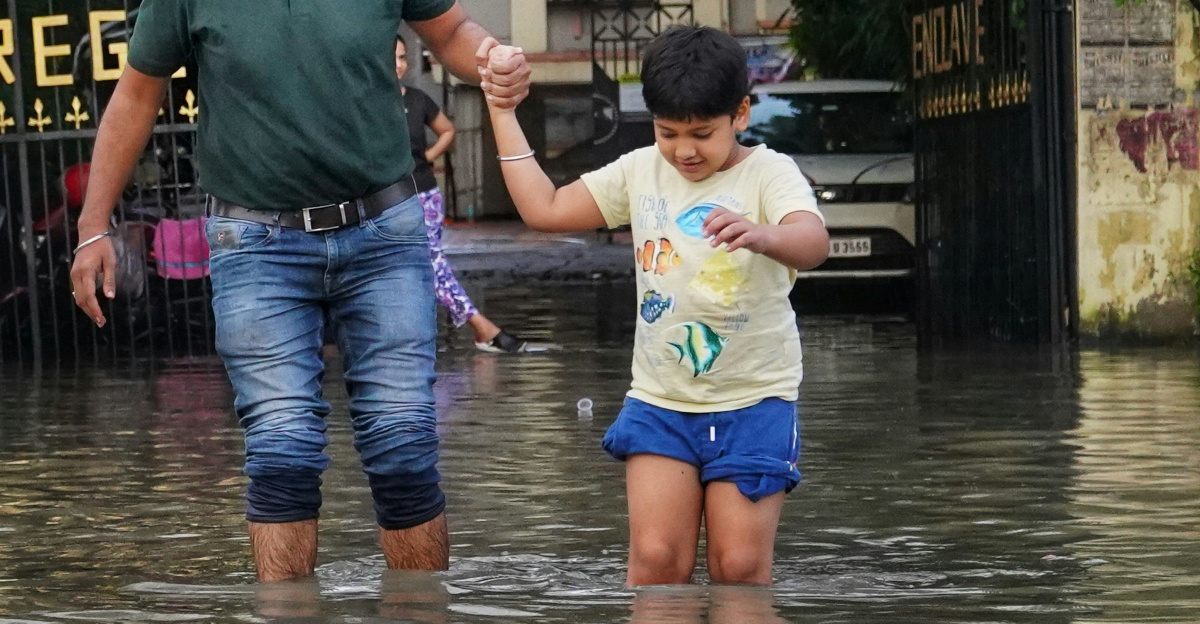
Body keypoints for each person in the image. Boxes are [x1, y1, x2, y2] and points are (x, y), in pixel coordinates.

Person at [69, 0, 531, 582]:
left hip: (384, 231)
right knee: (280, 451)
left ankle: (419, 610)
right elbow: (137, 94)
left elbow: (453, 31)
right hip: (255, 240)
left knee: (404, 444)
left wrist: (494, 57)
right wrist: (92, 228)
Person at [481, 26, 830, 585]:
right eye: (668, 132)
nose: (684, 150)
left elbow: (813, 243)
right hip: (660, 402)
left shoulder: (770, 173)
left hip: (755, 401)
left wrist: (762, 233)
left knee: (738, 568)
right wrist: (502, 111)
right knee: (657, 563)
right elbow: (544, 208)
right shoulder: (642, 169)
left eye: (702, 133)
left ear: (740, 114)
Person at [394, 35, 528, 354]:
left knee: (431, 261)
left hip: (423, 194)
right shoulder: (366, 102)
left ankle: (480, 327)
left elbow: (448, 130)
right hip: (384, 200)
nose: (397, 65)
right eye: (391, 58)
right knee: (405, 268)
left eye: (402, 58)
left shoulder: (416, 99)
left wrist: (428, 155)